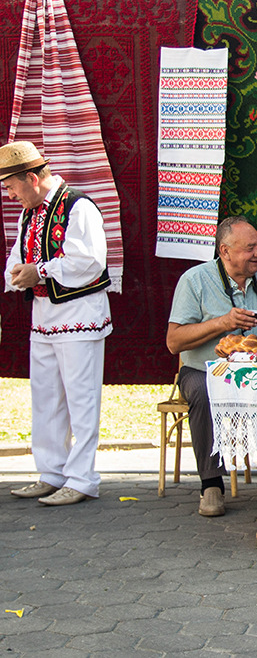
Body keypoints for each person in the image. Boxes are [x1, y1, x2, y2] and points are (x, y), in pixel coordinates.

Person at [166, 216, 257, 517]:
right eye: (250, 248)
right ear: (225, 252)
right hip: (206, 370)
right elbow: (174, 341)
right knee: (204, 395)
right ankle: (211, 485)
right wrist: (223, 323)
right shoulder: (195, 280)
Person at [2, 141, 112, 506]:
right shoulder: (29, 214)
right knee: (46, 397)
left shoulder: (78, 207)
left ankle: (82, 479)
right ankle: (51, 472)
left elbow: (91, 261)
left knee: (81, 399)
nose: (11, 194)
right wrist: (15, 274)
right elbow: (19, 253)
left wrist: (41, 270)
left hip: (79, 315)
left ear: (31, 178)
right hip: (44, 316)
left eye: (12, 187)